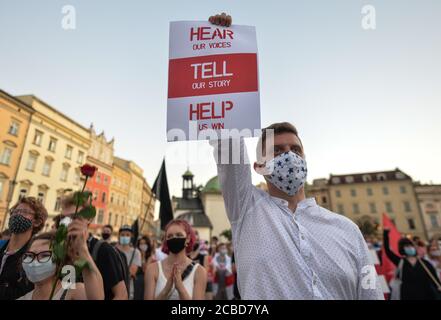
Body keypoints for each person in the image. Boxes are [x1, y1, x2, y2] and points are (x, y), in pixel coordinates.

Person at [207, 64, 384, 301]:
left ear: (305, 159)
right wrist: (222, 49)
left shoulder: (348, 231)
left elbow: (370, 295)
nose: (289, 156)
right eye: (277, 150)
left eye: (295, 150)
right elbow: (227, 138)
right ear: (259, 166)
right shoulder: (247, 211)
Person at [60, 194, 128, 300]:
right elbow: (67, 288)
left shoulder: (103, 250)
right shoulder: (63, 249)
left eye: (74, 217)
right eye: (63, 217)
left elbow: (122, 295)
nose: (68, 222)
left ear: (89, 219)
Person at [17, 230, 104, 300]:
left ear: (60, 261)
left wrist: (82, 250)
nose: (35, 261)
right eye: (30, 255)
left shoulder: (73, 292)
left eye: (45, 255)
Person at [144, 219, 207, 300]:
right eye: (170, 236)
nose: (174, 238)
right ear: (166, 240)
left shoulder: (199, 271)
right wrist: (166, 290)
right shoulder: (152, 269)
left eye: (179, 235)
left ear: (187, 238)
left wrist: (180, 288)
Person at [0, 197, 48, 300]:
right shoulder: (1, 247)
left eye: (24, 211)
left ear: (37, 222)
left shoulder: (34, 257)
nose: (17, 214)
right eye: (15, 211)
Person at [384, 229, 441, 300]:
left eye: (411, 246)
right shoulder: (400, 262)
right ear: (402, 248)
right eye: (407, 246)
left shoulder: (424, 263)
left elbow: (434, 278)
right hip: (407, 295)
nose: (410, 248)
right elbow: (388, 251)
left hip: (426, 295)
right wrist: (385, 234)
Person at [116, 225, 142, 300]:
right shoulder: (112, 250)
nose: (125, 236)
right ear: (119, 236)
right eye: (123, 234)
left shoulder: (136, 252)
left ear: (131, 237)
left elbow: (132, 272)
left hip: (128, 289)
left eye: (127, 235)